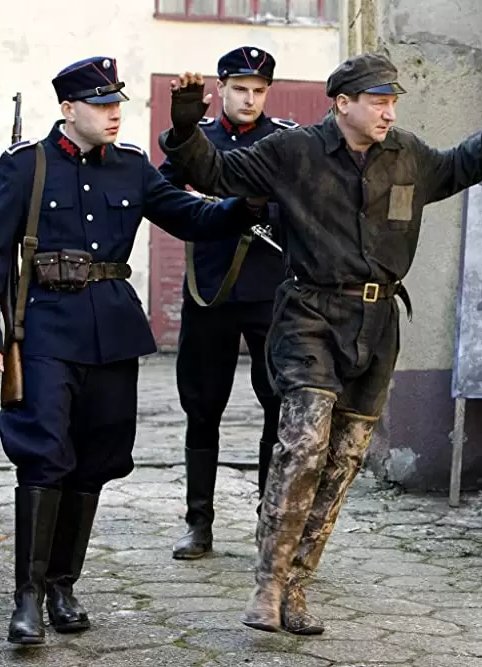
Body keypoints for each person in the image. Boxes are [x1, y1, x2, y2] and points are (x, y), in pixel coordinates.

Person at [157, 52, 482, 635]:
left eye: (392, 102)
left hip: (377, 325)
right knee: (303, 445)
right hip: (310, 314)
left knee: (342, 462)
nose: (389, 112)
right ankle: (268, 584)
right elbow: (216, 174)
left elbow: (463, 165)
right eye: (378, 101)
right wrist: (185, 125)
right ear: (343, 104)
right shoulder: (294, 151)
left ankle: (297, 586)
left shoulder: (407, 154)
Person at [0, 56, 257, 645]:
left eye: (117, 103)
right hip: (43, 330)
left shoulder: (131, 167)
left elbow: (190, 216)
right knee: (43, 453)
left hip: (113, 333)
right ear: (68, 109)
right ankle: (27, 599)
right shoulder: (27, 164)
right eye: (100, 105)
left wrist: (247, 205)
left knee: (96, 459)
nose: (113, 113)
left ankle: (62, 587)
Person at [159, 46, 298, 561]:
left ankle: (269, 524)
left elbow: (304, 204)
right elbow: (162, 196)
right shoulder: (198, 141)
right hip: (210, 291)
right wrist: (205, 208)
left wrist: (267, 212)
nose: (249, 99)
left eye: (259, 91)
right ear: (221, 89)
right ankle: (198, 523)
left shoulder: (285, 141)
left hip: (269, 292)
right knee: (202, 407)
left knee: (277, 406)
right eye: (240, 89)